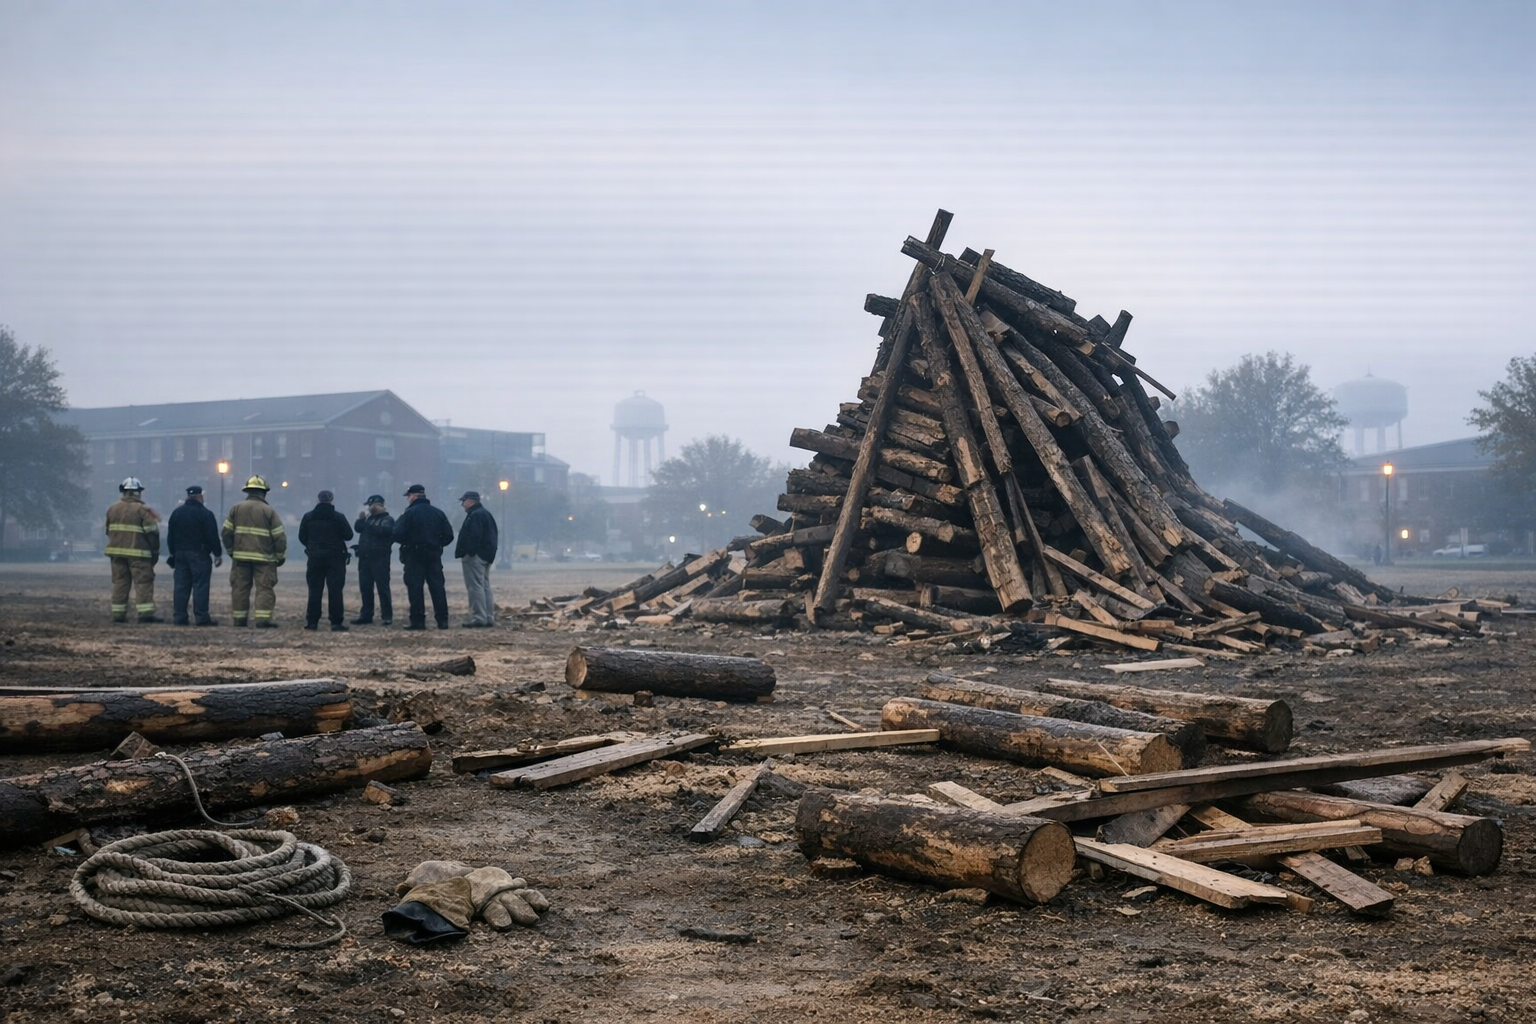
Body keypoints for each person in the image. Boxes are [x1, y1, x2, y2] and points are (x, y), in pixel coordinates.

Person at [222, 475, 287, 628]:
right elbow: (280, 538)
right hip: (265, 559)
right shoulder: (269, 511)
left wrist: (232, 551)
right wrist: (280, 556)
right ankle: (262, 620)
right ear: (264, 493)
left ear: (248, 491)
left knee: (239, 588)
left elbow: (225, 533)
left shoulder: (236, 508)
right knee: (264, 588)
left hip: (240, 558)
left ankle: (239, 620)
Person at [391, 483, 454, 631]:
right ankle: (442, 620)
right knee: (437, 587)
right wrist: (438, 544)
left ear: (412, 496)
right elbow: (449, 535)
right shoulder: (438, 513)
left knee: (415, 588)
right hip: (434, 554)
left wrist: (408, 541)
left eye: (408, 496)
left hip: (414, 554)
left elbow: (396, 533)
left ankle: (418, 620)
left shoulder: (408, 513)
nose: (408, 499)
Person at [103, 477, 162, 623]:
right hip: (139, 554)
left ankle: (118, 614)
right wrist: (154, 552)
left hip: (116, 554)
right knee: (143, 583)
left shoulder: (112, 509)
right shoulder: (142, 510)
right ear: (139, 492)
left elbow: (107, 531)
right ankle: (145, 614)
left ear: (123, 492)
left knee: (120, 582)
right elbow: (153, 533)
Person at [166, 484, 223, 626]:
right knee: (200, 585)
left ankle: (179, 617)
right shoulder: (205, 514)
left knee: (181, 586)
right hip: (199, 554)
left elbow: (170, 536)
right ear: (199, 496)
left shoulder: (177, 513)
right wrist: (217, 554)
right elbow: (212, 535)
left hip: (180, 554)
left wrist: (173, 552)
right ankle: (201, 617)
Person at [299, 489, 354, 632]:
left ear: (318, 500)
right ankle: (336, 622)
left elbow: (302, 537)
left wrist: (312, 546)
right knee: (335, 591)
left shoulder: (308, 517)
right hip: (335, 558)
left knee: (314, 590)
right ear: (332, 501)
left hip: (315, 558)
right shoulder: (339, 517)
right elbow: (348, 535)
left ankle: (312, 622)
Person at [454, 490, 499, 628]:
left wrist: (469, 552)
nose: (462, 504)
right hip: (486, 555)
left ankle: (479, 617)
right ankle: (488, 616)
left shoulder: (475, 516)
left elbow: (474, 536)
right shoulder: (485, 514)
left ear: (471, 501)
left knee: (475, 587)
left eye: (464, 501)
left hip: (475, 556)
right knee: (484, 586)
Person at [352, 494, 396, 626]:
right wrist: (360, 520)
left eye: (370, 505)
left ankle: (387, 616)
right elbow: (358, 528)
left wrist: (366, 525)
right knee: (365, 587)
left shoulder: (388, 519)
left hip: (380, 558)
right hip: (365, 558)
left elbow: (384, 532)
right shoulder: (369, 519)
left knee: (382, 588)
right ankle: (366, 614)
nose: (368, 508)